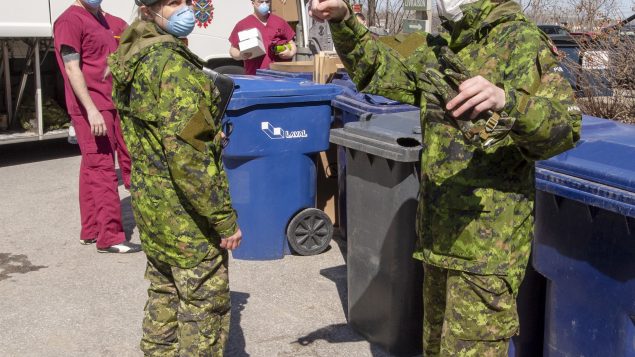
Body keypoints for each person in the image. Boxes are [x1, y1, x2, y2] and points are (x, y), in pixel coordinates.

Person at [310, 0, 581, 355]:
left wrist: (507, 101)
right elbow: (377, 67)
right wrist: (344, 20)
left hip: (484, 255)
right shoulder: (443, 48)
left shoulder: (520, 40)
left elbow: (566, 127)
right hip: (438, 244)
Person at [109, 0, 243, 354]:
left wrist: (206, 134)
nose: (185, 8)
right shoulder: (174, 68)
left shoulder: (131, 55)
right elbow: (190, 161)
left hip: (151, 205)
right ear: (151, 9)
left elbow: (157, 135)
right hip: (185, 216)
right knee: (204, 307)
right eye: (173, 2)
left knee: (164, 292)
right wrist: (224, 220)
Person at [53, 0, 140, 253]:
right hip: (92, 106)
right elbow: (71, 67)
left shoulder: (109, 21)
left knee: (91, 166)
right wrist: (91, 110)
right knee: (102, 168)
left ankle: (91, 229)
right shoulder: (70, 20)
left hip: (113, 104)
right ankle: (110, 237)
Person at [229, 0, 297, 75]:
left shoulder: (280, 22)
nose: (264, 4)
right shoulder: (243, 24)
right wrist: (240, 55)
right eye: (260, 1)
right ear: (253, 3)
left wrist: (289, 53)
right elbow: (233, 49)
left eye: (267, 1)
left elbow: (292, 44)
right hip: (255, 75)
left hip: (280, 75)